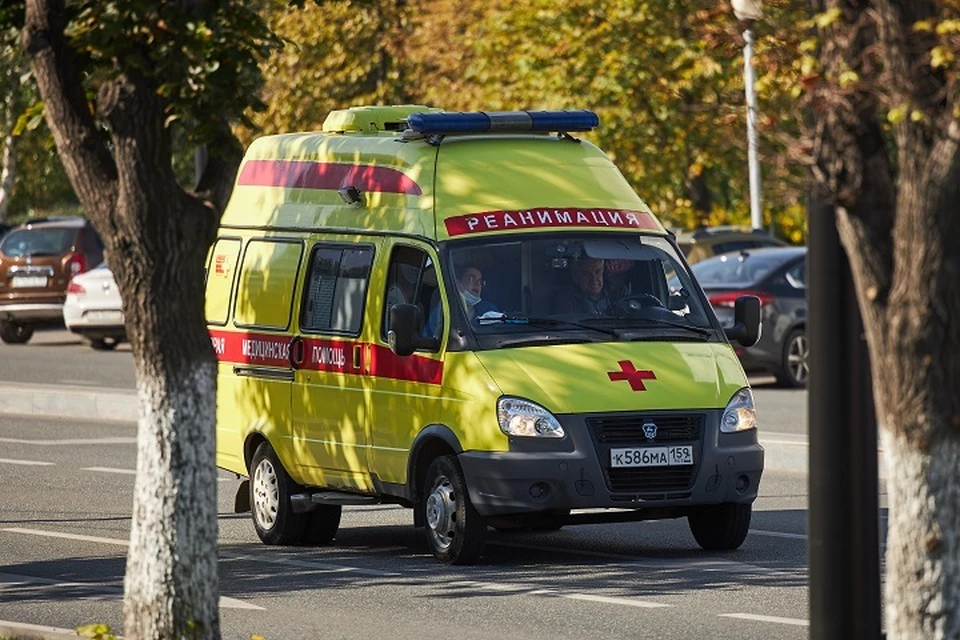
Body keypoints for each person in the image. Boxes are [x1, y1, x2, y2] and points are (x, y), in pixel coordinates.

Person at [424, 264, 497, 335]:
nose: (477, 284)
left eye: (480, 281)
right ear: (457, 283)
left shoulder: (489, 309)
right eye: (470, 278)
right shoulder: (442, 309)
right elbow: (429, 338)